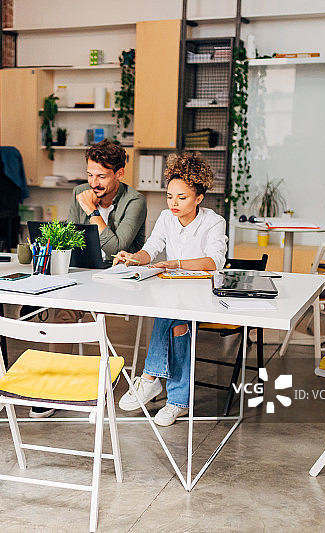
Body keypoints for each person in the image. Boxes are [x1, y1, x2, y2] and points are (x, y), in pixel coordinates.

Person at [31, 139, 147, 418]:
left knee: (83, 308)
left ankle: (103, 375)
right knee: (64, 307)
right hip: (86, 271)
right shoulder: (80, 192)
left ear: (119, 174)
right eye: (90, 174)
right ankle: (53, 383)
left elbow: (116, 245)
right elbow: (72, 239)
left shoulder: (135, 201)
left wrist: (93, 213)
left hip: (122, 278)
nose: (94, 182)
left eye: (102, 176)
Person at [114, 152, 227, 426]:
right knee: (177, 324)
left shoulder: (214, 221)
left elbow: (214, 261)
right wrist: (133, 257)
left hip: (205, 294)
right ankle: (177, 401)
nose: (173, 203)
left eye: (182, 197)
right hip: (175, 292)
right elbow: (151, 250)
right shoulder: (166, 218)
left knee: (173, 316)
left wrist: (175, 263)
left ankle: (151, 378)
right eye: (169, 196)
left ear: (199, 198)